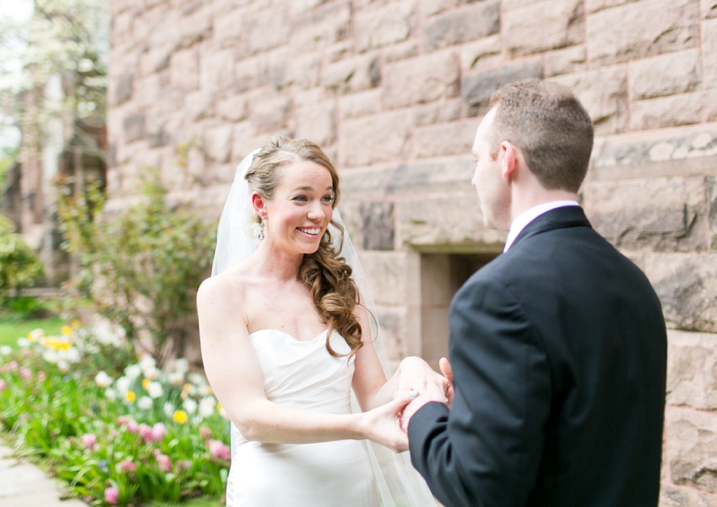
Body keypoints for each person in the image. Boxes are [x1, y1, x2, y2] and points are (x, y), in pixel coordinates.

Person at [399, 80, 668, 506]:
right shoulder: (634, 282)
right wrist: (473, 409)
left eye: (476, 160)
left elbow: (478, 491)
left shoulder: (494, 295)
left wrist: (423, 412)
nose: (473, 179)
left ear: (506, 158)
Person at [197, 136, 441, 507]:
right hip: (274, 489)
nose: (319, 213)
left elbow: (373, 396)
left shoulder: (341, 292)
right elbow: (250, 418)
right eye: (302, 198)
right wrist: (359, 427)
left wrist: (414, 374)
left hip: (352, 486)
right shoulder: (223, 295)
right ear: (260, 204)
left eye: (327, 198)